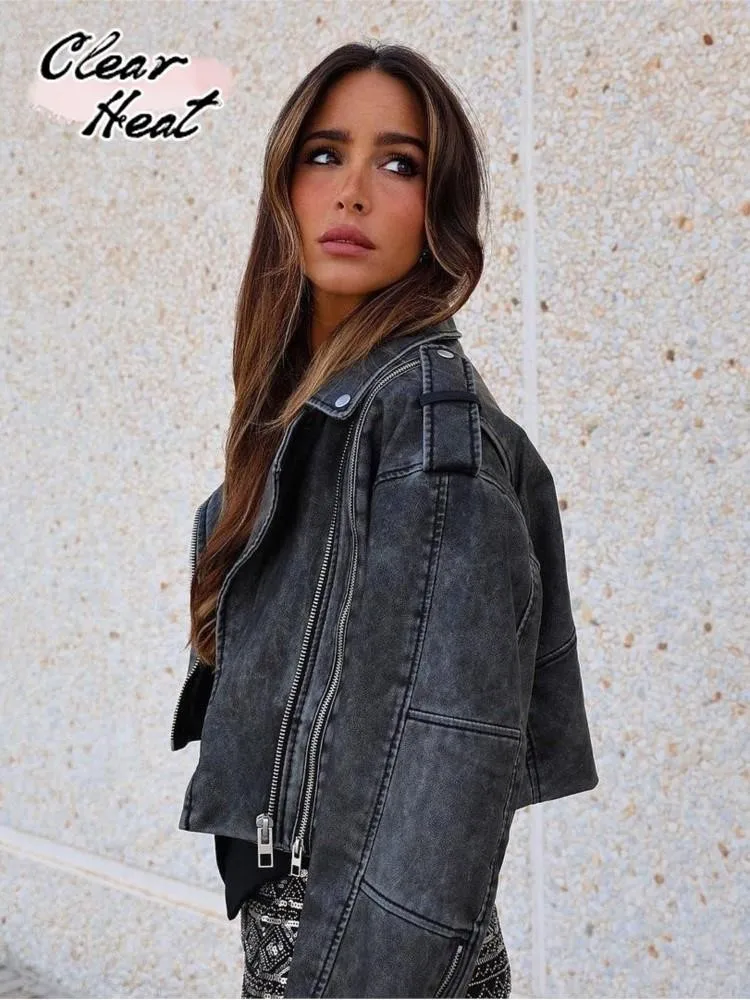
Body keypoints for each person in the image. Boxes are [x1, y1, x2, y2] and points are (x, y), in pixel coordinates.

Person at [171, 40, 598, 999]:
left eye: (399, 164)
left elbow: (442, 765)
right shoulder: (326, 407)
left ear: (439, 212)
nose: (353, 192)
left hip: (356, 955)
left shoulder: (425, 428)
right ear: (283, 185)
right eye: (324, 154)